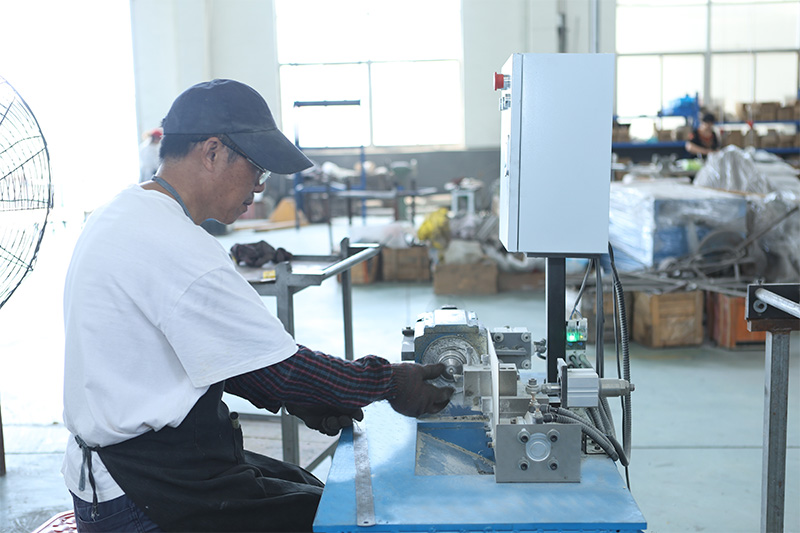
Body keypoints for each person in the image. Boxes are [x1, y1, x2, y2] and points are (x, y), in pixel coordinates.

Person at [62, 79, 454, 532]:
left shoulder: (124, 211)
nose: (260, 189)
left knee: (310, 487)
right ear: (212, 152)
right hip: (143, 493)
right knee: (346, 519)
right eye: (258, 170)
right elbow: (284, 371)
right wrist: (391, 382)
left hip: (120, 470)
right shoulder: (176, 245)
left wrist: (300, 400)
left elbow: (222, 357)